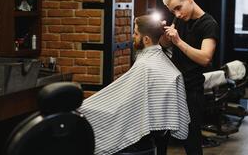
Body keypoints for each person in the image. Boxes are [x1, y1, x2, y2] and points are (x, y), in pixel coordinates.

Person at [79, 15, 190, 155]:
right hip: (159, 133)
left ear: (146, 39)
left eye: (136, 33)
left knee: (85, 112)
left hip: (146, 133)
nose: (133, 36)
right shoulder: (157, 61)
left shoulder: (146, 66)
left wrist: (85, 107)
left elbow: (128, 103)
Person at [160, 0, 219, 155]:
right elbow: (165, 44)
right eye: (173, 11)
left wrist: (178, 41)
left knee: (191, 141)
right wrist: (163, 35)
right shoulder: (179, 20)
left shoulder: (209, 24)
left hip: (192, 91)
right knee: (161, 135)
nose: (177, 14)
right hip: (173, 87)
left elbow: (205, 58)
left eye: (178, 8)